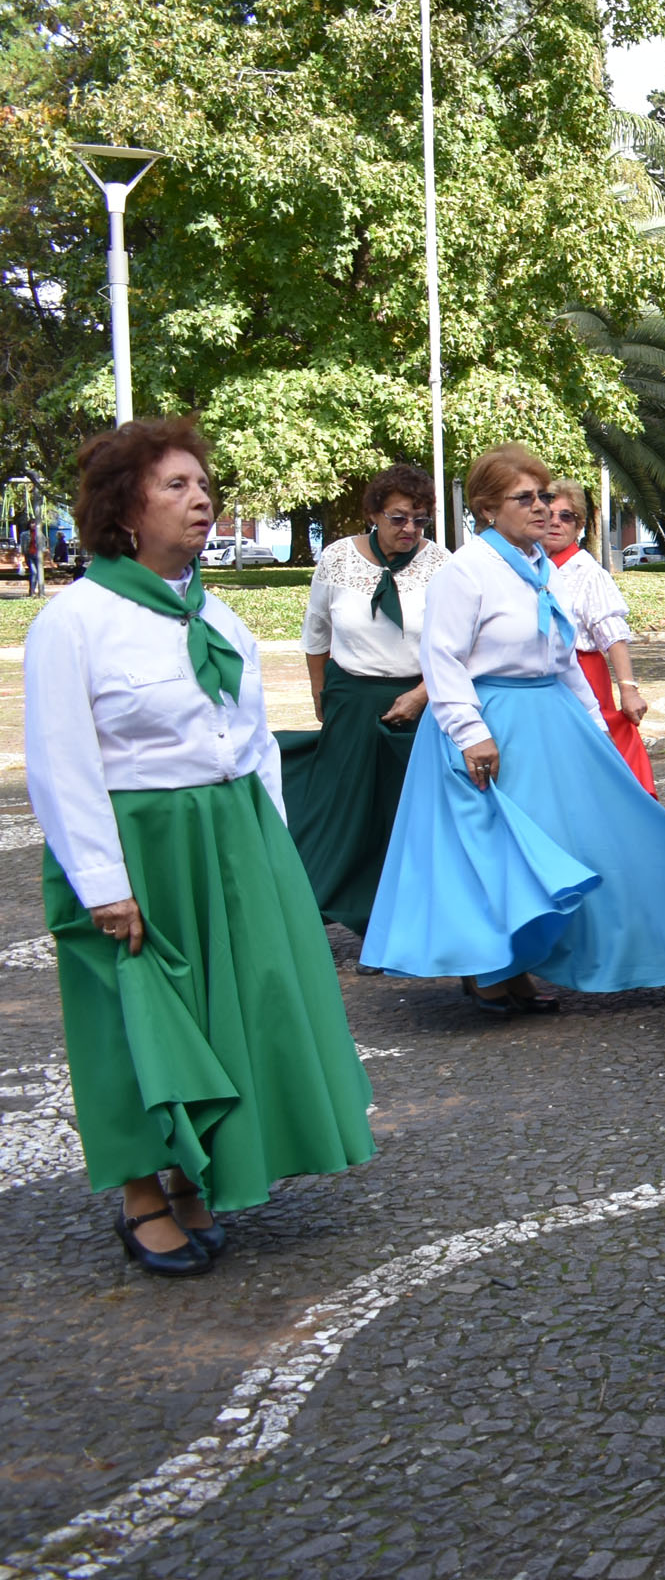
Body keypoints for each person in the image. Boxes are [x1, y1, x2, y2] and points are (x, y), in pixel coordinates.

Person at [26, 419, 375, 1278]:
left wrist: (273, 851)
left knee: (232, 1013)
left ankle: (195, 1175)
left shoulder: (214, 613)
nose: (200, 499)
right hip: (141, 846)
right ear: (124, 510)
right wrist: (103, 883)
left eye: (203, 484)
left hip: (231, 838)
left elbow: (252, 743)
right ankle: (140, 1191)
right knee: (138, 1022)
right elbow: (61, 762)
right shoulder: (76, 620)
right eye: (175, 485)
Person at [362, 445, 665, 1013]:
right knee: (498, 849)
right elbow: (442, 658)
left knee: (571, 839)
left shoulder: (542, 567)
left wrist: (595, 728)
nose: (541, 507)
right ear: (488, 509)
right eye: (525, 498)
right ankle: (492, 968)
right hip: (491, 721)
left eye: (544, 496)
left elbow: (565, 658)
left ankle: (552, 958)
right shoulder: (466, 570)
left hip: (549, 720)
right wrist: (470, 732)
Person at [278, 464, 446, 931]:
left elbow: (459, 645)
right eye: (399, 518)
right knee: (345, 807)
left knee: (405, 812)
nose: (410, 529)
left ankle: (402, 919)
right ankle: (330, 904)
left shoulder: (442, 564)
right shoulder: (337, 557)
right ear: (373, 513)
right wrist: (321, 692)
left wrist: (421, 696)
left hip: (418, 700)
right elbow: (317, 632)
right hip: (351, 696)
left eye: (420, 520)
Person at [540, 479, 656, 797]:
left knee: (588, 760)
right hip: (542, 676)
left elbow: (612, 635)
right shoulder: (531, 566)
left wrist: (628, 690)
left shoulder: (587, 572)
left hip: (584, 675)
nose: (556, 522)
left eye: (567, 516)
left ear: (579, 526)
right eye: (549, 514)